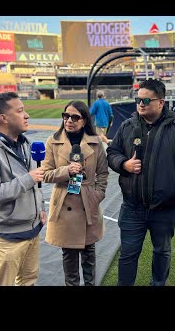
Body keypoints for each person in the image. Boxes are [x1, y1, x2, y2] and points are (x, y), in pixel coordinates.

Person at [107, 79, 175, 286]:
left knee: (162, 252)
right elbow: (112, 152)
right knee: (127, 254)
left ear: (161, 102)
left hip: (165, 207)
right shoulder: (127, 126)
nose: (141, 104)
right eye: (138, 99)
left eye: (146, 100)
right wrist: (123, 164)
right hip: (132, 207)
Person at [0, 92, 46, 286]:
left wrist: (41, 207)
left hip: (32, 231)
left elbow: (35, 181)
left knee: (29, 280)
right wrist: (27, 180)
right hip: (5, 238)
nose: (26, 115)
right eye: (20, 111)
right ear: (4, 118)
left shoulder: (24, 143)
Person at [42, 100, 108, 286]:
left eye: (74, 117)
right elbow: (45, 174)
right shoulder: (53, 141)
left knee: (89, 254)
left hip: (88, 203)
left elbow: (103, 172)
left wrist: (98, 194)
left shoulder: (95, 143)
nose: (69, 120)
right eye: (65, 116)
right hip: (64, 204)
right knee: (69, 257)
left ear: (85, 120)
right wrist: (66, 171)